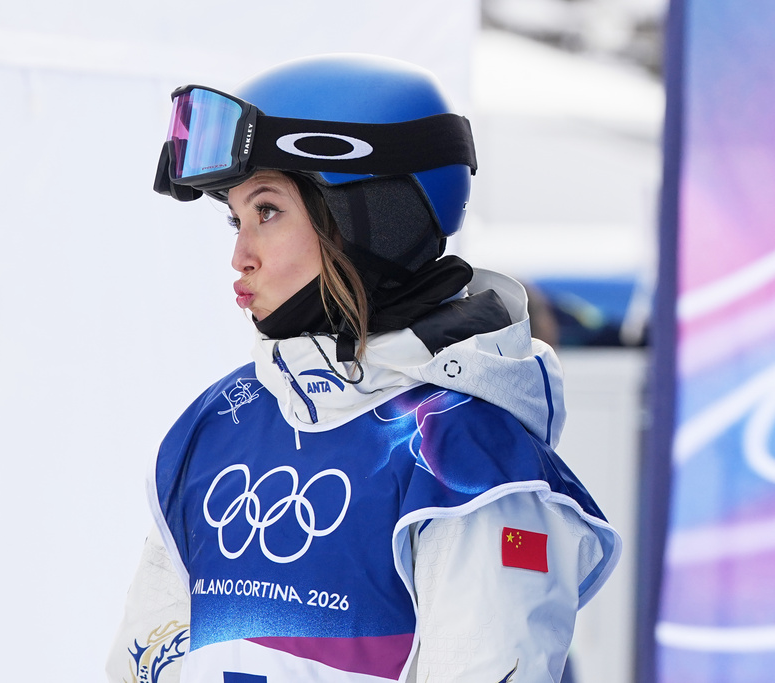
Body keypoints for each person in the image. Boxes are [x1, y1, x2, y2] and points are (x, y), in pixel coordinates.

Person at [107, 53, 621, 683]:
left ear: (370, 215)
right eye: (236, 219)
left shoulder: (461, 461)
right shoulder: (216, 425)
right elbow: (140, 660)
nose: (240, 254)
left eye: (266, 212)